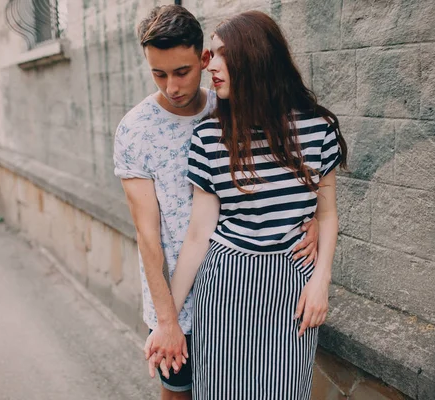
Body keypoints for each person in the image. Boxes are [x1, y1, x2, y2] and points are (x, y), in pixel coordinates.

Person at [113, 6, 320, 400]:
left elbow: (285, 171)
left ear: (204, 59)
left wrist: (316, 220)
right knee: (179, 394)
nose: (171, 86)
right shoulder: (135, 131)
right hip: (174, 298)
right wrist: (167, 319)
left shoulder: (228, 102)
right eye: (159, 74)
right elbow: (147, 235)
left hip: (236, 295)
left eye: (182, 72)